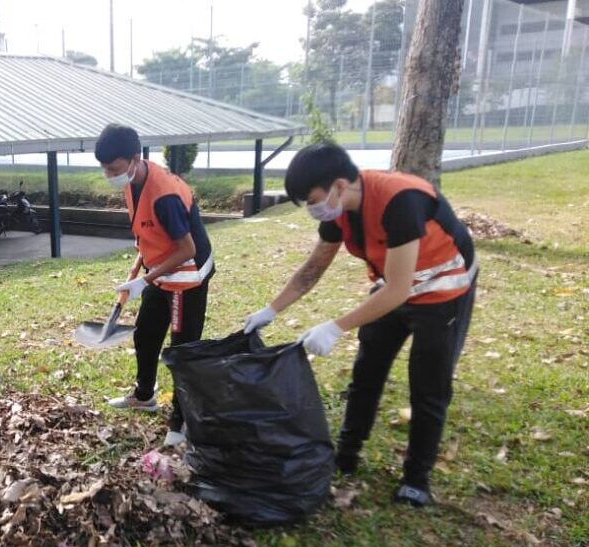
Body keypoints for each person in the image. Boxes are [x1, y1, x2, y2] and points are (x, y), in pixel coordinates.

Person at [243, 141, 477, 507]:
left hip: (443, 287)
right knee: (368, 368)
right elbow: (313, 269)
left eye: (313, 198)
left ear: (339, 184)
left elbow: (400, 289)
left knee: (428, 383)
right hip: (394, 285)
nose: (312, 208)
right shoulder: (340, 212)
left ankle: (416, 480)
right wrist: (271, 311)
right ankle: (347, 453)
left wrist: (335, 326)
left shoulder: (400, 201)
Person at [94, 124, 215, 447]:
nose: (109, 175)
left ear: (135, 158)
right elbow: (147, 235)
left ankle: (180, 421)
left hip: (187, 277)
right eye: (105, 169)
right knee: (146, 334)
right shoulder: (132, 181)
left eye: (114, 169)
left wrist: (144, 280)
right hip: (160, 271)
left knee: (181, 351)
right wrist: (138, 272)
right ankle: (144, 396)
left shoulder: (165, 196)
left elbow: (186, 249)